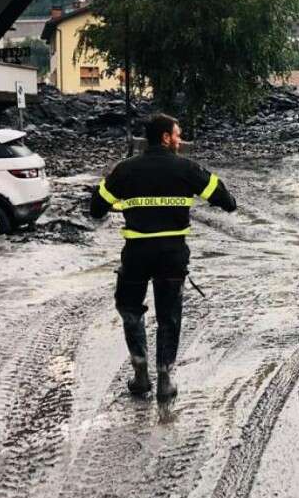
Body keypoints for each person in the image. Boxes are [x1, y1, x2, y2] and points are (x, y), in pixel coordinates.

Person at [89, 114, 237, 401]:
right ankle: (165, 380)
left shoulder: (125, 169)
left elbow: (96, 208)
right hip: (172, 255)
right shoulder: (186, 168)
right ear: (166, 137)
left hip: (136, 254)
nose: (180, 139)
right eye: (177, 134)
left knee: (130, 310)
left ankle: (141, 374)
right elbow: (225, 199)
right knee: (169, 316)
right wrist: (225, 201)